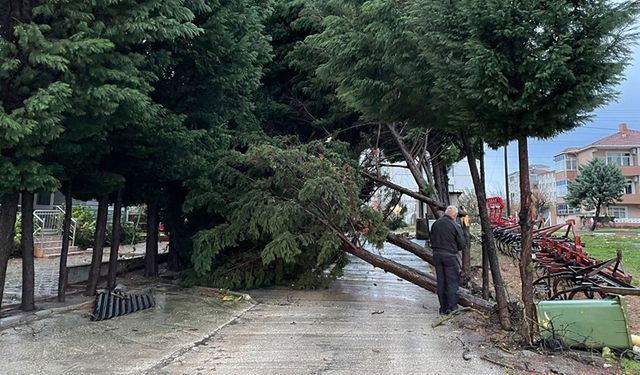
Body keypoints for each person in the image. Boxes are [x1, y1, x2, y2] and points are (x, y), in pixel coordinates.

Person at [430, 205, 466, 315]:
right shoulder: (455, 225)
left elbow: (431, 238)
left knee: (441, 281)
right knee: (452, 281)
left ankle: (443, 308)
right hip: (449, 256)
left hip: (436, 255)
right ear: (454, 215)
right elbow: (462, 244)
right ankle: (452, 307)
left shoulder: (435, 224)